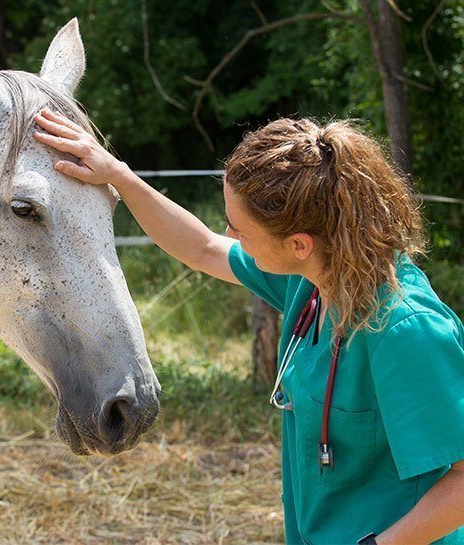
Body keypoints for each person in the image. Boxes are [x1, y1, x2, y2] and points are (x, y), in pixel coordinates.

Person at [33, 109, 464, 545]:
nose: (229, 233)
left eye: (240, 228)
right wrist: (119, 177)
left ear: (298, 244)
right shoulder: (314, 279)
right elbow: (202, 248)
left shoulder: (407, 331)